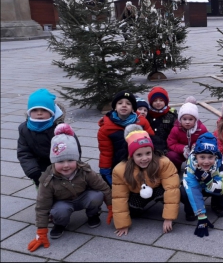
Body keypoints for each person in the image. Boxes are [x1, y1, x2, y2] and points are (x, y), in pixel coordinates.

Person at [27, 124, 112, 252]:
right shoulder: (47, 178)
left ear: (77, 160)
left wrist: (112, 206)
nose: (66, 165)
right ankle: (60, 224)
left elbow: (103, 187)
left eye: (70, 160)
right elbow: (42, 206)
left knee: (97, 196)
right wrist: (41, 232)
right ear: (53, 162)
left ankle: (93, 215)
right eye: (60, 161)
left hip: (83, 197)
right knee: (59, 211)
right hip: (62, 203)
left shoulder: (85, 170)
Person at [111, 125, 179, 237]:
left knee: (174, 191)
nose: (144, 158)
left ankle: (160, 204)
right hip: (136, 193)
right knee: (133, 211)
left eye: (148, 153)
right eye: (139, 155)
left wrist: (169, 218)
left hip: (157, 188)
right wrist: (122, 224)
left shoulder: (163, 162)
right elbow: (119, 197)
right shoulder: (120, 170)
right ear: (131, 155)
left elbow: (172, 189)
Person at [18, 88, 81, 188]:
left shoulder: (60, 128)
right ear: (29, 112)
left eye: (44, 110)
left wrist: (71, 165)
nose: (39, 113)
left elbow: (73, 148)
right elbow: (24, 152)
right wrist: (33, 170)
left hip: (61, 164)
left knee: (64, 189)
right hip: (39, 168)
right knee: (44, 191)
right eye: (34, 110)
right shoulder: (24, 129)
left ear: (51, 112)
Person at [97, 90, 154, 186]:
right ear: (115, 107)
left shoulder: (142, 122)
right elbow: (106, 152)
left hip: (142, 159)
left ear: (133, 108)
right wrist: (105, 170)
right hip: (120, 161)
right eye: (120, 103)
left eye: (128, 103)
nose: (124, 105)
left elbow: (152, 142)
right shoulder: (106, 129)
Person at [180, 133, 223, 237]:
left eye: (210, 157)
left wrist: (209, 181)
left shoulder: (220, 164)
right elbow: (192, 189)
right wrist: (201, 215)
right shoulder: (190, 167)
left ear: (215, 156)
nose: (206, 161)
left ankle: (217, 205)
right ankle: (191, 211)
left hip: (211, 186)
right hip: (196, 187)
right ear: (195, 156)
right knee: (184, 191)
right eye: (202, 157)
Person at [167, 96, 208, 172]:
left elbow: (206, 140)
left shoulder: (201, 129)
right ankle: (175, 169)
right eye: (184, 119)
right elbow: (171, 143)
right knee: (171, 155)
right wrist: (183, 148)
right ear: (180, 119)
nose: (187, 122)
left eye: (190, 119)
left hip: (196, 153)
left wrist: (196, 146)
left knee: (204, 155)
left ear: (195, 120)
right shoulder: (176, 129)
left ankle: (198, 169)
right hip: (181, 153)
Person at [146, 87, 177, 155]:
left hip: (167, 146)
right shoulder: (147, 114)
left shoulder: (171, 115)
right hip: (150, 145)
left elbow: (175, 133)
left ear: (165, 102)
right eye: (155, 100)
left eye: (161, 100)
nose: (158, 103)